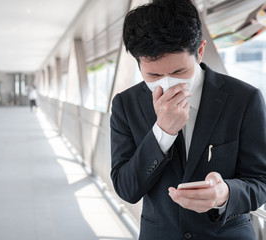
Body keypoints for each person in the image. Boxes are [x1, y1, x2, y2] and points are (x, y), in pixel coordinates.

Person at [110, 0, 266, 239]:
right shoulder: (125, 105)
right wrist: (162, 132)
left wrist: (224, 194)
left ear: (200, 51)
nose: (167, 82)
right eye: (153, 74)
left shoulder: (244, 98)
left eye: (179, 72)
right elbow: (126, 188)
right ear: (139, 62)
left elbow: (261, 181)